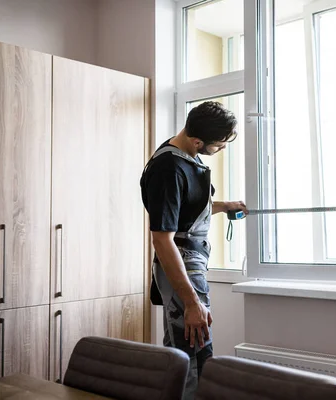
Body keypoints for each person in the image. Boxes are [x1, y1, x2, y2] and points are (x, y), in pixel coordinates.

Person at [140, 101, 248, 399]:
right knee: (190, 350)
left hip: (191, 262)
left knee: (195, 348)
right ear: (198, 141)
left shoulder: (185, 157)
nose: (223, 148)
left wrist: (224, 206)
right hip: (181, 262)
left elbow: (184, 208)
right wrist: (190, 302)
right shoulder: (169, 168)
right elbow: (163, 238)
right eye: (220, 144)